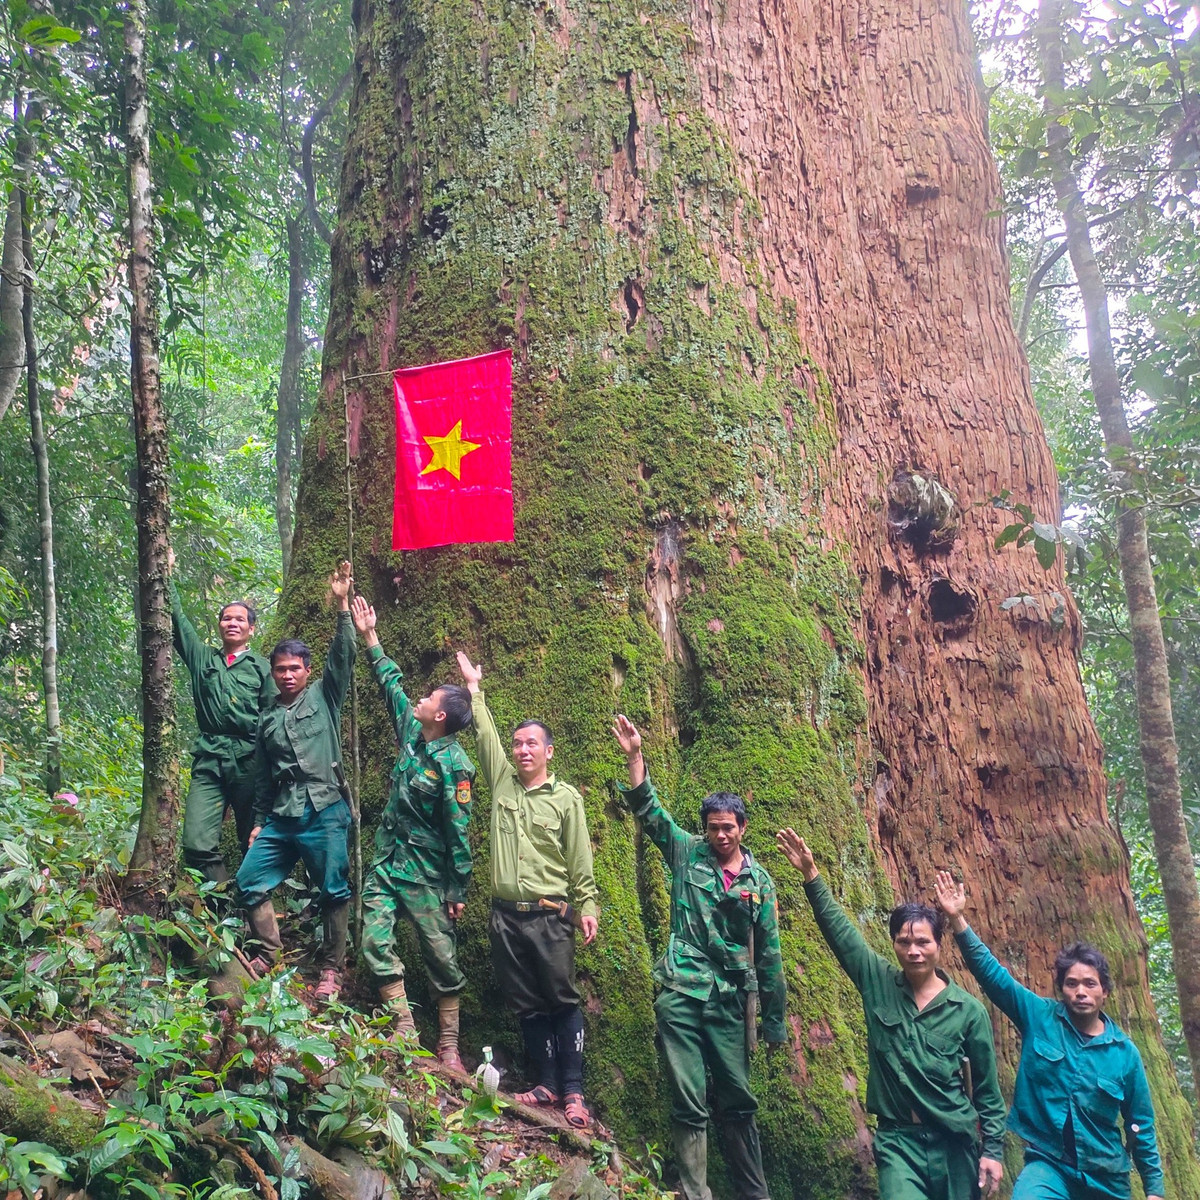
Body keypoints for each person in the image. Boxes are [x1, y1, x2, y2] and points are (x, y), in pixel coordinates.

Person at [777, 830, 1006, 1200]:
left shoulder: (968, 1011)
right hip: (899, 1143)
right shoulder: (878, 982)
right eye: (904, 942)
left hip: (954, 1144)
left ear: (938, 946)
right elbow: (842, 934)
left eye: (923, 942)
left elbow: (987, 1091)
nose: (914, 951)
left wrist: (993, 1151)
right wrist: (811, 874)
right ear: (894, 944)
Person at [613, 715, 786, 1200]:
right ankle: (695, 1192)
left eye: (729, 829)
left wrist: (773, 1025)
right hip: (682, 993)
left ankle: (754, 1194)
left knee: (739, 1100)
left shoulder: (760, 882)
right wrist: (634, 757)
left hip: (731, 1002)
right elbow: (649, 812)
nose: (721, 836)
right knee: (689, 1100)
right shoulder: (687, 853)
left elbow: (770, 957)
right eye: (713, 828)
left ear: (743, 828)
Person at [934, 872, 1164, 1200]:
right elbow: (993, 976)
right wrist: (956, 918)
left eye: (1090, 984)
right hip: (1049, 1165)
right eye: (1072, 984)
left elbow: (1140, 1124)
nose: (1081, 991)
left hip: (1106, 1175)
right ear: (1061, 989)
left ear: (1105, 992)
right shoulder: (1040, 1016)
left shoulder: (1125, 1053)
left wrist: (1154, 1191)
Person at [455, 651, 598, 1128]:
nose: (521, 751)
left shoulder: (566, 798)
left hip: (550, 916)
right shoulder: (501, 783)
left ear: (548, 751)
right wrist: (474, 690)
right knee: (526, 1003)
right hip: (505, 916)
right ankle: (545, 1083)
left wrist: (588, 904)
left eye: (531, 744)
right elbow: (485, 735)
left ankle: (574, 1091)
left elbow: (580, 858)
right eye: (517, 744)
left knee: (561, 999)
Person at [351, 595, 476, 1069]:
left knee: (442, 957)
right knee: (373, 942)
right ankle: (403, 1027)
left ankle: (448, 1045)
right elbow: (391, 685)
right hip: (387, 864)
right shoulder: (411, 730)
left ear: (441, 716)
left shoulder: (454, 765)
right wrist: (370, 636)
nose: (420, 700)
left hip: (426, 875)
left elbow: (458, 832)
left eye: (430, 699)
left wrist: (456, 886)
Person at [235, 562, 357, 1004]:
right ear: (273, 673)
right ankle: (271, 952)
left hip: (325, 809)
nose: (287, 675)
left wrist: (342, 606)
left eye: (295, 668)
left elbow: (342, 656)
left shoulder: (325, 696)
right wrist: (258, 822)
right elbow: (265, 780)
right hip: (283, 816)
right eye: (280, 669)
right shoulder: (267, 719)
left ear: (306, 670)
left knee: (334, 890)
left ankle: (331, 969)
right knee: (249, 880)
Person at [169, 557, 274, 884]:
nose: (232, 623)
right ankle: (220, 904)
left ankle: (251, 910)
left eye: (240, 619)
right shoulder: (203, 659)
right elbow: (177, 620)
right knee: (196, 843)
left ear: (251, 628)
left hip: (249, 761)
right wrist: (167, 572)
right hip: (209, 757)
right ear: (219, 625)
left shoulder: (262, 668)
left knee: (253, 841)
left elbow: (274, 718)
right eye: (226, 618)